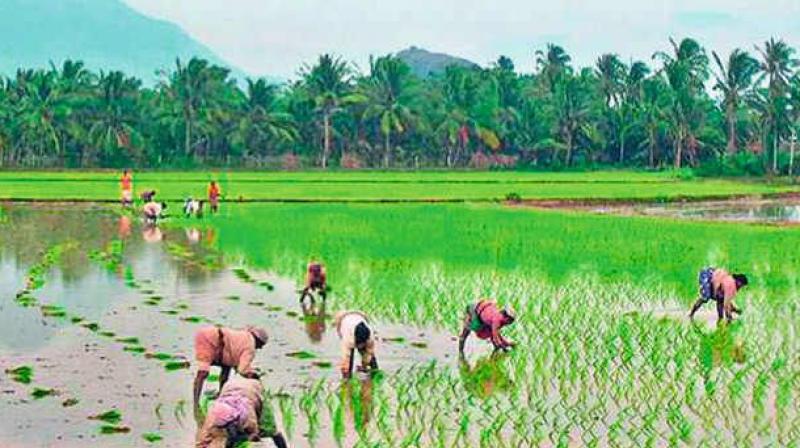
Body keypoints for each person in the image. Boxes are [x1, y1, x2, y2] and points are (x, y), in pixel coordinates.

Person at [195, 377, 288, 448]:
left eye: (228, 425)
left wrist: (245, 440)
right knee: (232, 437)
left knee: (270, 430)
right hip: (229, 387)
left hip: (253, 389)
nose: (226, 428)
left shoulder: (247, 415)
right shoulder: (213, 417)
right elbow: (202, 441)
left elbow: (254, 435)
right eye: (223, 426)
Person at [193, 325, 268, 409]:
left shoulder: (243, 336)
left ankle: (220, 395)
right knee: (203, 372)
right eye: (261, 345)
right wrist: (253, 376)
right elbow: (242, 369)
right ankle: (196, 403)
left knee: (226, 368)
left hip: (213, 337)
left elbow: (233, 355)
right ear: (258, 340)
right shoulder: (250, 345)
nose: (260, 348)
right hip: (211, 339)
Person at [334, 311, 378, 379]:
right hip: (345, 320)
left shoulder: (370, 337)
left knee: (371, 360)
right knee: (348, 362)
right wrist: (346, 377)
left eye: (362, 344)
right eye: (359, 344)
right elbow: (346, 358)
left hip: (360, 317)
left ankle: (375, 374)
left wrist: (366, 365)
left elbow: (370, 353)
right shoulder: (348, 337)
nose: (360, 347)